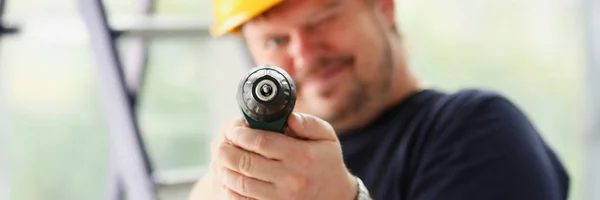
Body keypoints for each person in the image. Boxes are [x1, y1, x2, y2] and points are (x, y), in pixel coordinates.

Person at [190, 0, 570, 199]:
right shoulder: (260, 173)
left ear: (384, 6)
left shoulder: (477, 130)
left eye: (322, 19)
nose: (304, 54)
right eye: (276, 40)